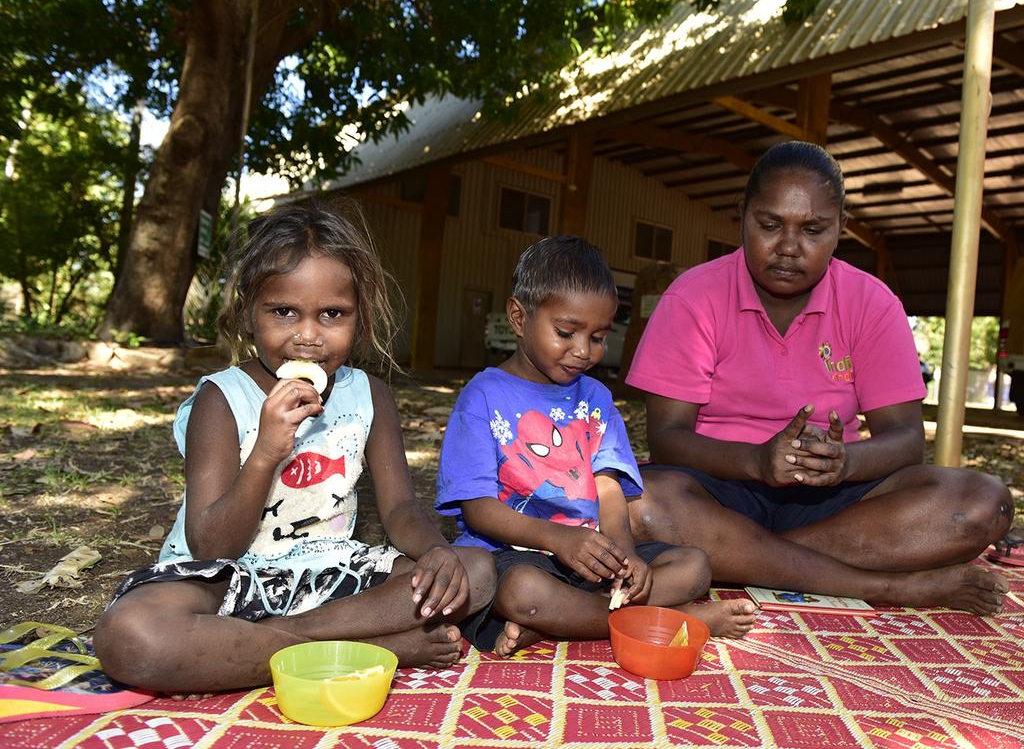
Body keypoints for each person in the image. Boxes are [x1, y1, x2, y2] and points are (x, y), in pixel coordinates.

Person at [93, 201, 495, 694]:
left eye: (332, 314)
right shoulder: (221, 400)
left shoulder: (369, 395)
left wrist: (435, 551)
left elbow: (399, 507)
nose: (308, 336)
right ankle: (383, 648)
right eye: (284, 312)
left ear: (359, 318)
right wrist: (265, 452)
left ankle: (280, 642)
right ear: (248, 312)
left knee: (473, 571)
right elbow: (212, 546)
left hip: (331, 574)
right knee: (132, 637)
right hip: (229, 578)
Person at [626, 141, 1012, 615]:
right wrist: (756, 461)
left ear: (840, 228)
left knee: (983, 503)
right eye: (769, 225)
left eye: (813, 229)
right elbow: (667, 439)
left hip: (835, 500)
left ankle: (741, 555)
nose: (788, 247)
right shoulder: (693, 297)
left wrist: (845, 463)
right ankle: (887, 587)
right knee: (637, 504)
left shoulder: (871, 302)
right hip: (717, 485)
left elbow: (907, 440)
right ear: (741, 214)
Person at [435, 235, 756, 658]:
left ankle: (562, 621)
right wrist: (557, 540)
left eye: (599, 336)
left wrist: (625, 558)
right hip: (515, 556)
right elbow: (478, 508)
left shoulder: (596, 399)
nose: (583, 351)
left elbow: (607, 487)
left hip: (590, 558)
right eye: (566, 332)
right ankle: (677, 620)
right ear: (518, 317)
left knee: (694, 566)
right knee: (523, 592)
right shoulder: (483, 396)